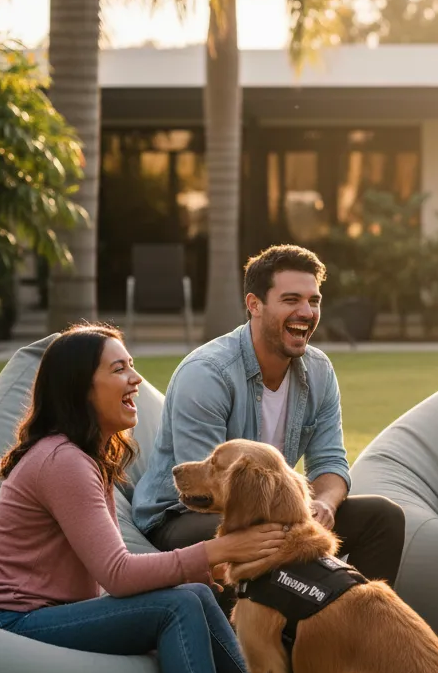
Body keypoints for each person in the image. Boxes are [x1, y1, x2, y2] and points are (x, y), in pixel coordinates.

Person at [0, 325, 318, 673]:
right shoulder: (62, 461)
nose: (136, 378)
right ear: (80, 387)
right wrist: (219, 549)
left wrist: (193, 571)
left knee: (192, 597)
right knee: (179, 603)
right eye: (118, 369)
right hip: (14, 626)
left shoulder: (81, 457)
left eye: (132, 365)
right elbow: (117, 574)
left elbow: (103, 574)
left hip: (49, 615)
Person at [133, 244, 404, 587]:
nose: (306, 312)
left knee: (383, 517)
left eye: (313, 301)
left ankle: (354, 625)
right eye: (291, 300)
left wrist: (323, 505)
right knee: (259, 541)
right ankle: (269, 635)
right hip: (183, 515)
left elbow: (331, 462)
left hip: (273, 510)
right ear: (254, 305)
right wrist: (294, 524)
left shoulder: (319, 371)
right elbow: (206, 491)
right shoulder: (207, 374)